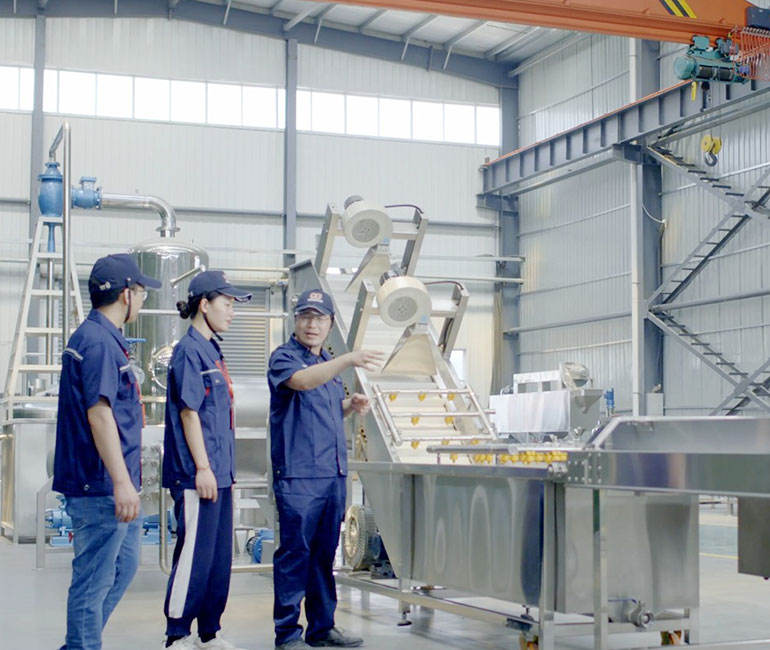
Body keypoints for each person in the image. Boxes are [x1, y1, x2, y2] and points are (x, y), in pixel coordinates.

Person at [54, 253, 161, 650]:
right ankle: (81, 645)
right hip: (98, 484)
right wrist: (120, 482)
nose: (144, 300)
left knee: (123, 566)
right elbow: (99, 415)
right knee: (94, 578)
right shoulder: (98, 342)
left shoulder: (106, 339)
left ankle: (80, 642)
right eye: (141, 291)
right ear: (125, 295)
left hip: (115, 481)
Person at [268, 288, 385, 650]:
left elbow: (323, 408)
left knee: (323, 554)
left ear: (330, 322)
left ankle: (322, 627)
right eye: (305, 316)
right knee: (295, 554)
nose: (311, 324)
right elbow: (302, 382)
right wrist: (349, 359)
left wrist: (349, 404)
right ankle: (287, 633)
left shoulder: (329, 367)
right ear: (295, 320)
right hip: (299, 476)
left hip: (332, 474)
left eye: (319, 318)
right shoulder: (284, 358)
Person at [162, 270, 253, 650]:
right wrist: (201, 467)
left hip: (221, 473)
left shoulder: (213, 350)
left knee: (217, 559)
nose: (232, 311)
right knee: (194, 556)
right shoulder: (189, 352)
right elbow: (189, 413)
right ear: (204, 304)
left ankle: (209, 631)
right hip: (197, 474)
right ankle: (177, 633)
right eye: (227, 303)